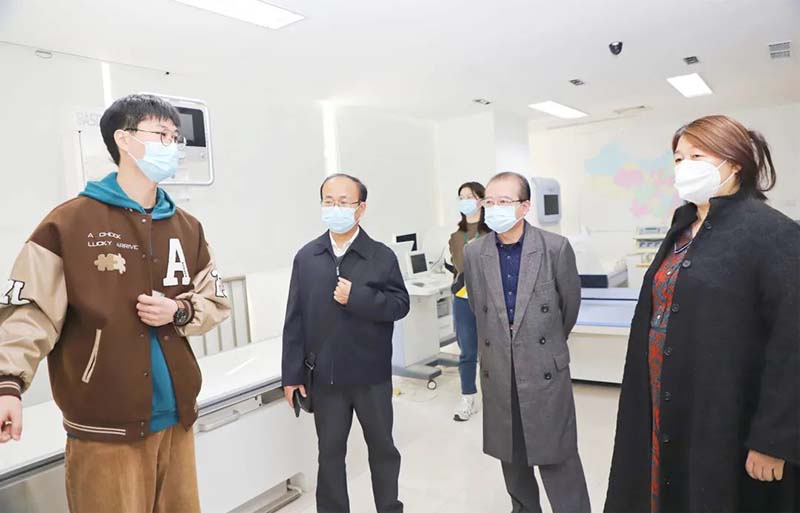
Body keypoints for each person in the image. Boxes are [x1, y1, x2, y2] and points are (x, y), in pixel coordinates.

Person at [0, 94, 231, 513]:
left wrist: (179, 311)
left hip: (177, 417)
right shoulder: (69, 223)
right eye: (162, 134)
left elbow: (214, 299)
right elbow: (30, 312)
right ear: (124, 139)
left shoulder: (187, 227)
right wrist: (7, 384)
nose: (172, 146)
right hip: (104, 426)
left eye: (175, 137)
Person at [604, 115, 800, 513]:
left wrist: (773, 439)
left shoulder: (773, 232)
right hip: (664, 399)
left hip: (726, 409)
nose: (684, 166)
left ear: (735, 163)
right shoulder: (683, 228)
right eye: (678, 158)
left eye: (697, 156)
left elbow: (792, 342)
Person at [282, 173, 410, 513]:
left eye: (343, 202)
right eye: (329, 201)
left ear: (361, 208)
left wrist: (358, 298)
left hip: (372, 376)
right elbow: (294, 319)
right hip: (326, 377)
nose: (335, 208)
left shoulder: (381, 256)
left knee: (383, 449)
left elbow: (400, 305)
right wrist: (291, 375)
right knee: (330, 454)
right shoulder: (307, 257)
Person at [464, 171, 590, 513]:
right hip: (499, 368)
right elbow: (478, 307)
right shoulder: (475, 253)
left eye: (503, 201)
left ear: (524, 206)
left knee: (557, 455)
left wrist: (541, 346)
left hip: (544, 366)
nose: (494, 208)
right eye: (489, 201)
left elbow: (568, 308)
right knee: (511, 454)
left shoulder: (554, 248)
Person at [448, 181, 490, 422]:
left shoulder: (493, 232)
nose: (465, 201)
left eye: (470, 196)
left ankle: (497, 396)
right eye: (461, 197)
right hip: (464, 298)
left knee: (494, 350)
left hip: (490, 298)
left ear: (481, 200)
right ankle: (468, 398)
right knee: (468, 351)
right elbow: (461, 267)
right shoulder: (456, 236)